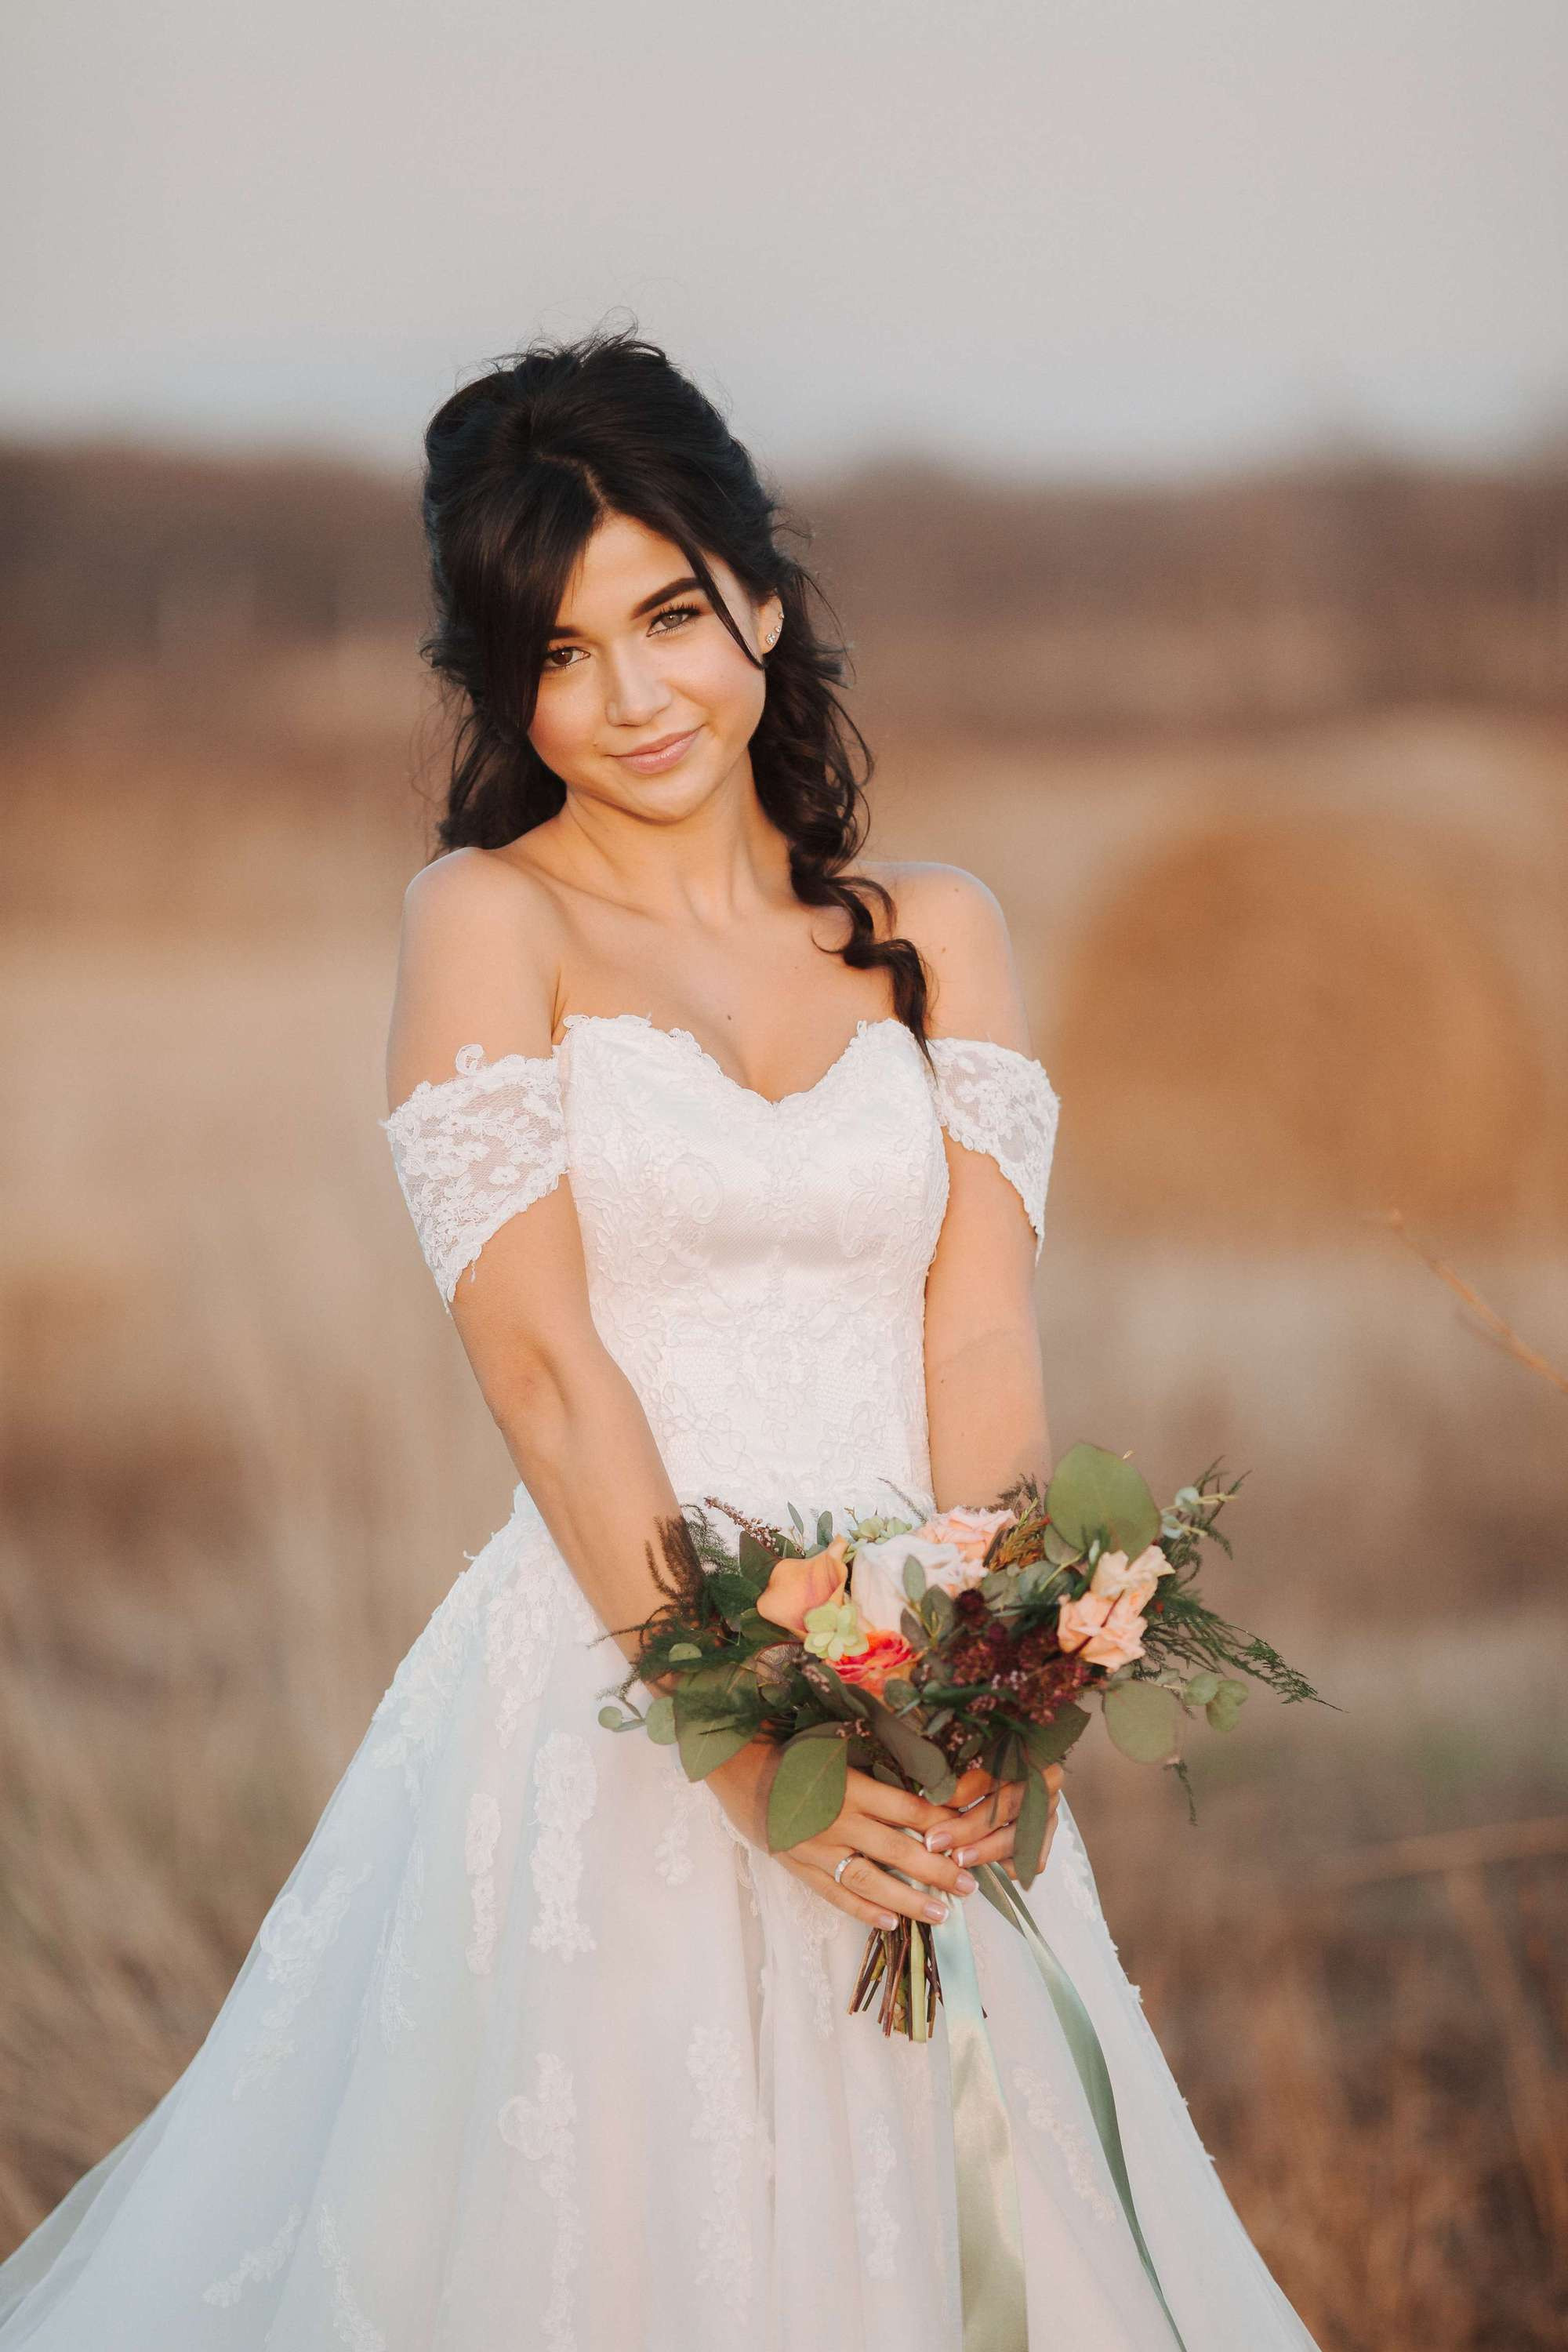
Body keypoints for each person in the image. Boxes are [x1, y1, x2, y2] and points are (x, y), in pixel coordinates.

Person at [0, 325, 1319, 2350]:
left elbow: (976, 1336)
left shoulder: (939, 929)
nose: (630, 698)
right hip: (622, 1706)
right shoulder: (486, 922)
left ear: (764, 602)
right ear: (502, 686)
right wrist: (744, 1751)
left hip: (913, 1675)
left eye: (670, 616)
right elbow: (544, 1368)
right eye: (557, 652)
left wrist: (998, 1685)